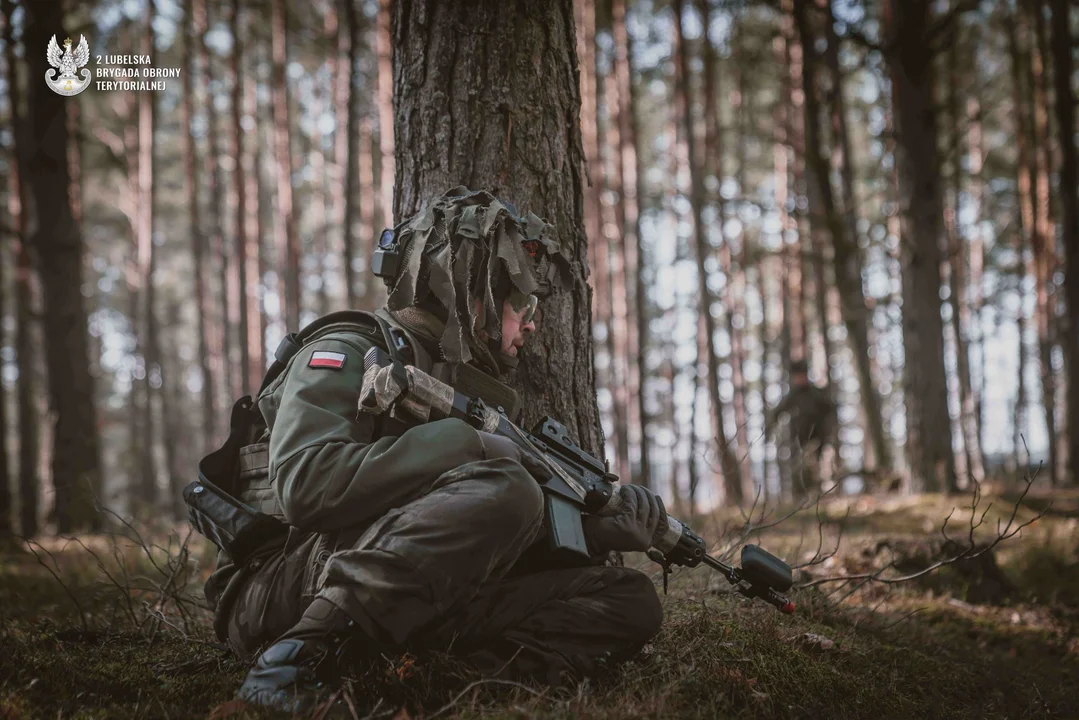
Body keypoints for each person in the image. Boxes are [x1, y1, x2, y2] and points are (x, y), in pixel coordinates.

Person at [205, 187, 667, 713]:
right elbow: (307, 487)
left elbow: (458, 533)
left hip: (404, 593)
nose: (532, 323)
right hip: (276, 592)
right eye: (522, 303)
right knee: (509, 488)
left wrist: (591, 532)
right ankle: (289, 666)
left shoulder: (460, 388)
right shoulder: (346, 350)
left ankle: (442, 685)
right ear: (473, 294)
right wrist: (469, 444)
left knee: (630, 598)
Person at [767, 359, 837, 497]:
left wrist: (829, 434)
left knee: (819, 470)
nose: (799, 379)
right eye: (797, 376)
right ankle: (802, 498)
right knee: (800, 472)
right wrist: (769, 429)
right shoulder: (793, 396)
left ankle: (821, 496)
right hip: (798, 441)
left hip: (818, 440)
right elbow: (778, 412)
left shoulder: (816, 394)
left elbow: (830, 411)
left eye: (802, 375)